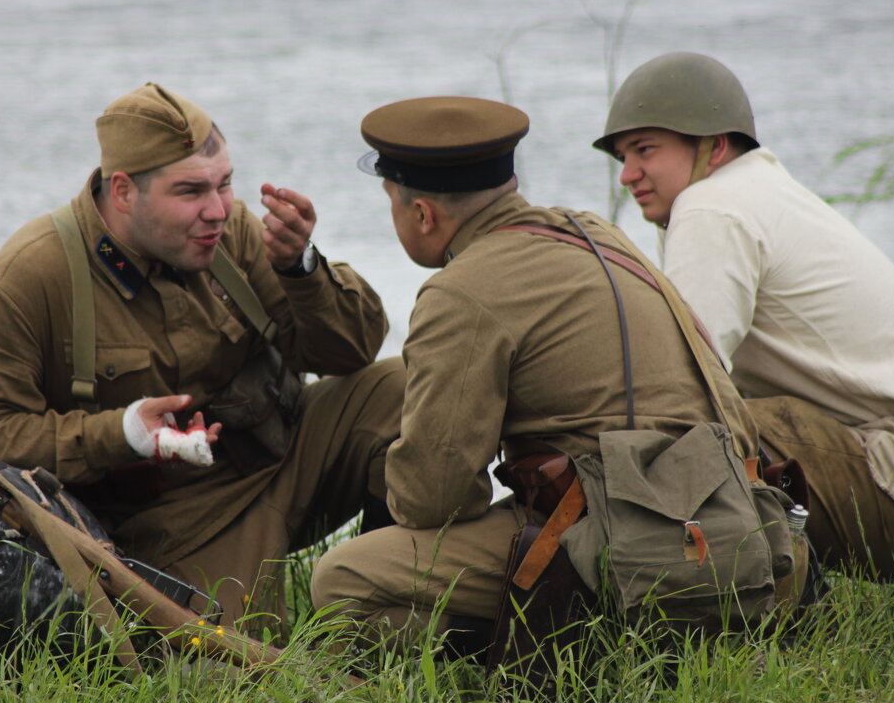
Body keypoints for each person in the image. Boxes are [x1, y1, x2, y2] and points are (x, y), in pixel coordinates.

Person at [0, 82, 404, 623]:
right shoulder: (35, 274)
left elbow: (351, 351)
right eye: (190, 192)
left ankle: (382, 606)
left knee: (407, 389)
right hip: (174, 525)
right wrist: (124, 433)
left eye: (224, 184)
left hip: (285, 459)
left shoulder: (235, 234)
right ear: (125, 191)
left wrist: (302, 267)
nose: (217, 211)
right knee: (237, 667)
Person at [310, 96, 765, 649]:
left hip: (628, 542)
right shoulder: (601, 237)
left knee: (343, 577)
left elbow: (436, 497)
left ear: (423, 213)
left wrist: (396, 471)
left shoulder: (462, 289)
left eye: (393, 204)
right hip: (740, 530)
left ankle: (563, 653)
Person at [594, 52, 894, 580]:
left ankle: (750, 603)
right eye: (622, 157)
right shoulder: (756, 192)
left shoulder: (713, 208)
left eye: (645, 150)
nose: (628, 175)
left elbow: (679, 383)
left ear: (715, 145)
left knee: (677, 430)